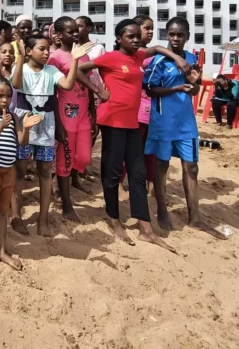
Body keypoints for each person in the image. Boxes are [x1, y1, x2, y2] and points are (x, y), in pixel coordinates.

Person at [79, 18, 190, 252]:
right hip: (112, 121)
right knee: (112, 171)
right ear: (119, 38)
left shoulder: (139, 56)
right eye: (130, 36)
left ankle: (145, 228)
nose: (136, 40)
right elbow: (79, 70)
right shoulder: (110, 57)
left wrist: (177, 58)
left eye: (138, 36)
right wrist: (98, 90)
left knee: (138, 174)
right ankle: (113, 218)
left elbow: (156, 48)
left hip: (131, 123)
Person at [144, 17, 226, 240]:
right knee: (161, 165)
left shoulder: (191, 59)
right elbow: (150, 90)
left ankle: (195, 218)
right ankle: (162, 210)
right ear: (167, 35)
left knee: (191, 167)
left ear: (187, 36)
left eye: (180, 34)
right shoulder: (159, 61)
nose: (175, 38)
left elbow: (194, 90)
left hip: (186, 122)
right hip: (163, 121)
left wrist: (193, 83)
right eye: (172, 34)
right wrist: (176, 88)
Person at [11, 35, 93, 236]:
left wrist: (75, 60)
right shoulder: (21, 68)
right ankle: (16, 216)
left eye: (48, 49)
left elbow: (67, 85)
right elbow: (16, 84)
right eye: (41, 49)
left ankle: (43, 218)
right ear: (29, 51)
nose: (46, 52)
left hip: (46, 126)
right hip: (24, 123)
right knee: (20, 170)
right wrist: (20, 58)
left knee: (45, 170)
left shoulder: (51, 71)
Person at [0, 76, 43, 271]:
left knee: (3, 211)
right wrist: (0, 125)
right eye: (0, 96)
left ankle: (2, 251)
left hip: (9, 170)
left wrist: (27, 128)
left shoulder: (13, 117)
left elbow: (22, 142)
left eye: (8, 96)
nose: (5, 100)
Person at [48, 17, 99, 221]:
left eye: (76, 30)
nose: (75, 34)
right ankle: (67, 204)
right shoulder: (55, 58)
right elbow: (51, 93)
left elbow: (88, 84)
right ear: (59, 35)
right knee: (66, 158)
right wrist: (58, 122)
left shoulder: (83, 54)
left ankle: (59, 183)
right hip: (66, 111)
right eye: (70, 31)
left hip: (84, 112)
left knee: (84, 158)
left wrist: (93, 113)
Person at [119, 15, 157, 190]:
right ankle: (119, 184)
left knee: (150, 148)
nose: (150, 32)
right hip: (136, 108)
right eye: (146, 28)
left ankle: (151, 185)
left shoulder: (153, 54)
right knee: (130, 148)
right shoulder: (132, 55)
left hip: (153, 108)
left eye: (152, 28)